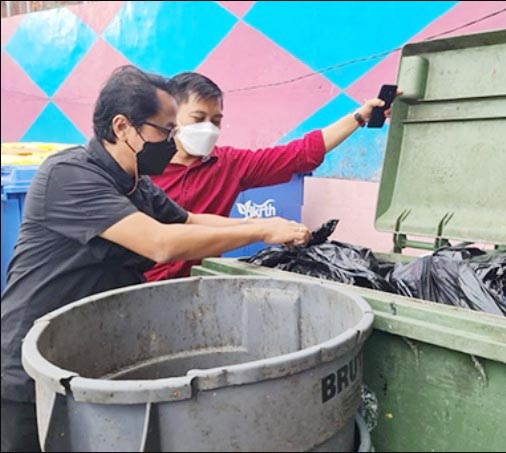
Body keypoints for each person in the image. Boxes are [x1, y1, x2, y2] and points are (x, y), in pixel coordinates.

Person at [0, 65, 310, 452]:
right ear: (122, 127)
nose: (172, 140)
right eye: (165, 130)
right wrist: (260, 232)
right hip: (29, 366)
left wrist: (266, 223)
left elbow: (192, 220)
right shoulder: (68, 175)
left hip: (89, 356)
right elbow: (161, 243)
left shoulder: (137, 185)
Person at [146, 71, 393, 281]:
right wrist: (260, 228)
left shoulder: (229, 164)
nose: (208, 128)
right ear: (172, 117)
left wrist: (359, 118)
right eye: (199, 119)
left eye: (216, 121)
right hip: (138, 285)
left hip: (197, 285)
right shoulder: (141, 169)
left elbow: (299, 154)